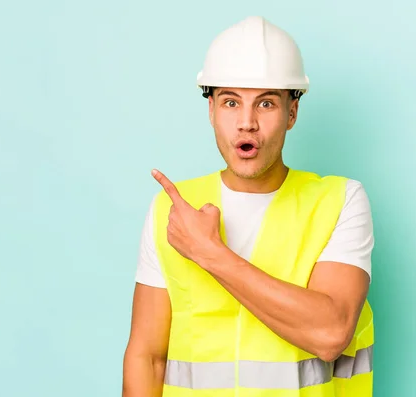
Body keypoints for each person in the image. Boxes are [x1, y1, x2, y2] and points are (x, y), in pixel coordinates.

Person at [122, 16, 374, 397]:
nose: (246, 123)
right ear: (211, 111)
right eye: (230, 102)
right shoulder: (172, 209)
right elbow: (147, 356)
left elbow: (330, 333)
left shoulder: (339, 201)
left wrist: (209, 253)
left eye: (267, 104)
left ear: (292, 113)